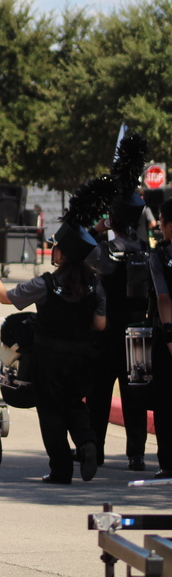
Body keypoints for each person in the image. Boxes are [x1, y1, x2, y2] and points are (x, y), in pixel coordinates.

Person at [0, 194, 106, 484]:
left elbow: (5, 297)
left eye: (55, 247)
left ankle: (61, 470)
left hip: (49, 358)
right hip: (83, 358)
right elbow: (100, 323)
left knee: (50, 411)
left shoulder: (47, 283)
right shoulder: (94, 284)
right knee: (75, 403)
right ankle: (87, 443)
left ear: (62, 253)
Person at [86, 132, 150, 471]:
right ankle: (136, 453)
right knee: (134, 396)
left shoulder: (102, 251)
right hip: (136, 331)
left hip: (105, 329)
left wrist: (98, 229)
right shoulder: (144, 252)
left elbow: (75, 251)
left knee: (98, 395)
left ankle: (94, 448)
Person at [148, 198, 172, 479]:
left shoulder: (160, 255)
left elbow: (163, 297)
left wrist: (168, 337)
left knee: (165, 403)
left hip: (167, 334)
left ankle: (167, 463)